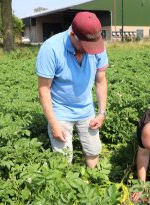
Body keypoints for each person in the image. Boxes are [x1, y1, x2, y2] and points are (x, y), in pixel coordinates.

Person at [36, 11, 108, 168]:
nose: (91, 50)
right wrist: (54, 123)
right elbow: (44, 89)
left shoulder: (97, 46)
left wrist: (101, 113)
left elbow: (101, 81)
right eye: (86, 45)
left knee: (93, 151)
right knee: (63, 160)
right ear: (73, 34)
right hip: (60, 111)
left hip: (87, 110)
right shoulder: (51, 49)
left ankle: (93, 181)